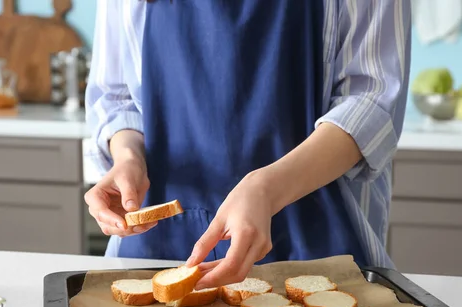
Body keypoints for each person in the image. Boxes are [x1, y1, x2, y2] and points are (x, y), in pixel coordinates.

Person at [84, 0, 411, 290]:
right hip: (156, 247)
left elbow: (372, 101)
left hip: (320, 243)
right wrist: (128, 158)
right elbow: (118, 98)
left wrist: (266, 189)